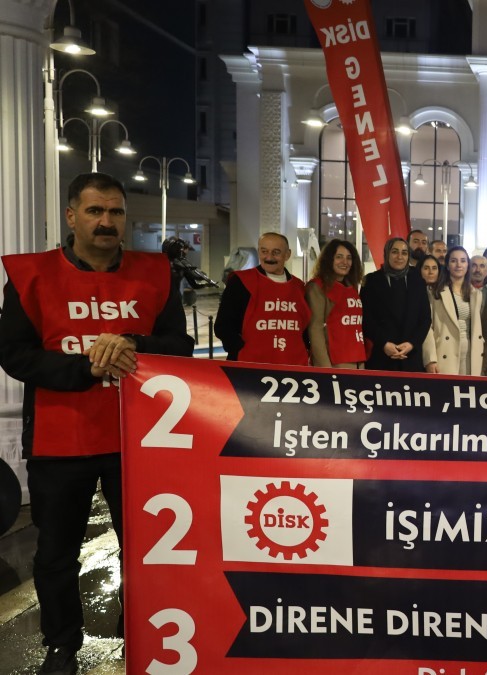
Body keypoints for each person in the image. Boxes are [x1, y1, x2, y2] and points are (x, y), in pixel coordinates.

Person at [0, 172, 194, 675]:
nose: (106, 221)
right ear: (71, 216)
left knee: (146, 551)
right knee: (55, 554)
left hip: (141, 438)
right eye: (94, 211)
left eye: (115, 212)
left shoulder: (156, 273)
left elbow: (181, 346)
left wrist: (134, 343)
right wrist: (85, 368)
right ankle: (63, 644)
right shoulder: (31, 275)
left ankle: (142, 636)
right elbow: (14, 354)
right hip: (60, 439)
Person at [214, 231, 310, 365]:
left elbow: (305, 327)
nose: (269, 257)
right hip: (250, 364)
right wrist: (239, 350)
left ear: (287, 254)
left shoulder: (299, 287)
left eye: (276, 252)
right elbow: (223, 325)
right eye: (264, 251)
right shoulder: (241, 282)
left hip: (293, 363)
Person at [360, 237, 431, 372]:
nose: (400, 257)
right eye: (394, 252)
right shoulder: (371, 281)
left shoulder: (418, 281)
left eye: (404, 253)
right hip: (381, 356)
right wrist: (383, 343)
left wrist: (412, 344)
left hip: (411, 357)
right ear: (386, 254)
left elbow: (425, 318)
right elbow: (366, 318)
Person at [423, 246, 485, 375]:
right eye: (453, 261)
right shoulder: (434, 292)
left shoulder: (476, 294)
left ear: (468, 265)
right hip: (444, 351)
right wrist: (430, 359)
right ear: (447, 265)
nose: (458, 265)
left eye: (463, 261)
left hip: (470, 352)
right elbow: (427, 327)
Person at [306, 239, 365, 369]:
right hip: (335, 362)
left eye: (349, 258)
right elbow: (315, 329)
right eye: (339, 257)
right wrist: (325, 368)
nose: (345, 262)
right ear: (329, 260)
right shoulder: (318, 287)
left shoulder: (351, 287)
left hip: (357, 358)